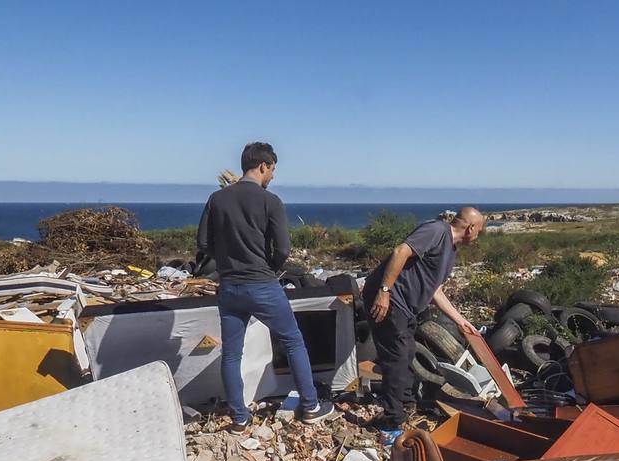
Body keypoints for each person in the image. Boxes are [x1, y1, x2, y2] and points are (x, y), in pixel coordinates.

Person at [196, 142, 335, 431]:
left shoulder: (217, 199)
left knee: (232, 354)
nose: (272, 176)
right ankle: (310, 406)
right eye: (272, 169)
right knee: (293, 341)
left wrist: (226, 263)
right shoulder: (270, 201)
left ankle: (238, 418)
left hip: (230, 287)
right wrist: (268, 268)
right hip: (262, 284)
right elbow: (283, 248)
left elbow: (204, 244)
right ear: (263, 166)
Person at [363, 207, 486, 430]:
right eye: (480, 231)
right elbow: (400, 251)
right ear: (471, 228)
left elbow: (435, 292)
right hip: (389, 298)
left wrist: (461, 321)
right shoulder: (437, 231)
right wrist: (384, 291)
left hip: (406, 306)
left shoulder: (451, 250)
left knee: (408, 352)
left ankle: (407, 402)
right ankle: (392, 418)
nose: (479, 236)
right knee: (396, 356)